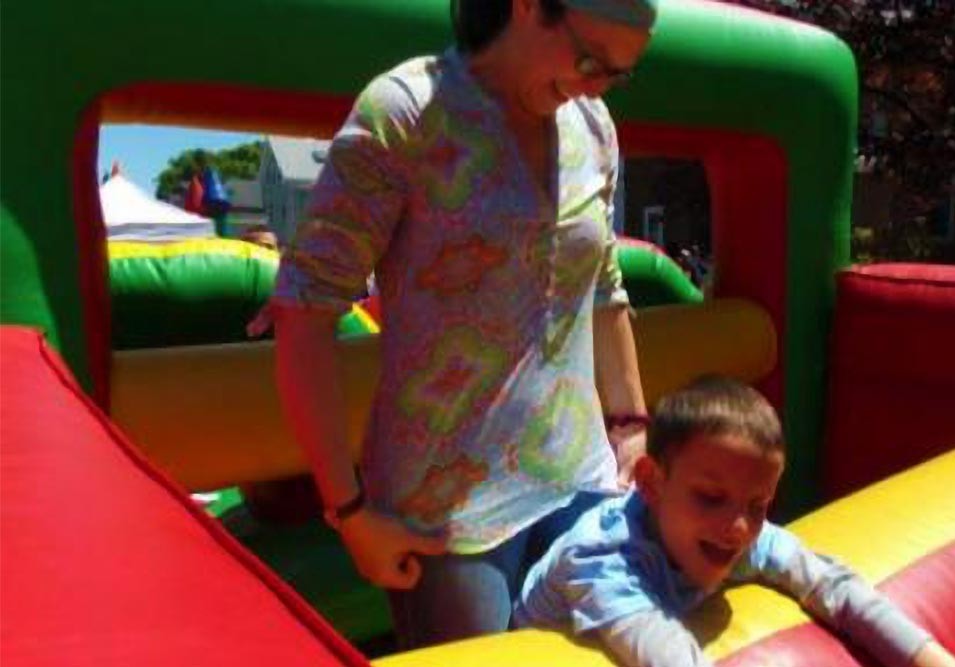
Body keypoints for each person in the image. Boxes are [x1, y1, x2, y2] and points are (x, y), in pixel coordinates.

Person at [254, 0, 659, 650]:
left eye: (619, 73)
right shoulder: (406, 113)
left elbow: (603, 284)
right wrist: (351, 513)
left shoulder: (592, 123)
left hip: (584, 482)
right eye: (589, 60)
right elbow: (303, 312)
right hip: (445, 520)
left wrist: (632, 426)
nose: (596, 85)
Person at [513, 376, 955, 667]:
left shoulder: (736, 534)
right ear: (650, 482)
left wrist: (927, 658)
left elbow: (834, 586)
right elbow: (662, 652)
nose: (739, 527)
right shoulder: (600, 560)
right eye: (710, 498)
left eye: (759, 505)